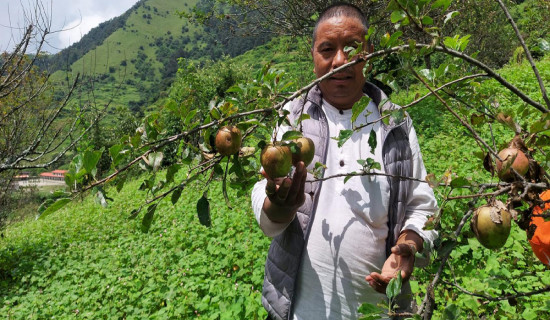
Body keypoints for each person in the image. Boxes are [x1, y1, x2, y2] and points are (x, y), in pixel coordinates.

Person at [251, 3, 438, 319]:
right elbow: (264, 203)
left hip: (377, 312)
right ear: (314, 58)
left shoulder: (396, 125)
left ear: (370, 53)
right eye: (327, 50)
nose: (340, 61)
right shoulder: (291, 117)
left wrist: (409, 246)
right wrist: (279, 204)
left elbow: (422, 207)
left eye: (351, 48)